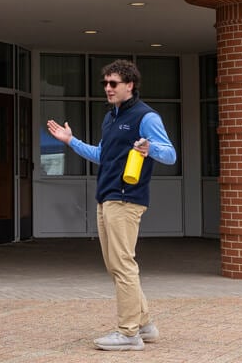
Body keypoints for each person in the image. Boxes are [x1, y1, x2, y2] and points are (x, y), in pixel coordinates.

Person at [45, 58, 177, 352]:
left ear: (130, 85)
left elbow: (170, 155)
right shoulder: (111, 118)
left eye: (113, 83)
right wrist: (70, 141)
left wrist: (149, 148)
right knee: (117, 264)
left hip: (126, 199)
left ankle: (129, 333)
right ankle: (145, 324)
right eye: (105, 83)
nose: (107, 88)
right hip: (106, 197)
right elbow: (102, 155)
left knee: (122, 264)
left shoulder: (146, 117)